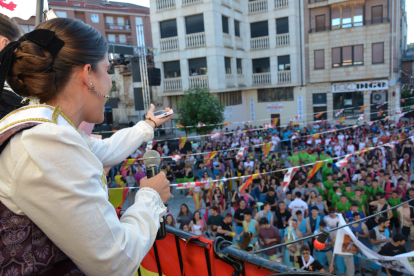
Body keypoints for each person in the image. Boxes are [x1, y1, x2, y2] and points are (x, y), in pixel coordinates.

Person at [0, 18, 173, 275]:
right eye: (106, 70)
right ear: (87, 75)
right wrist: (149, 199)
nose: (111, 83)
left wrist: (147, 125)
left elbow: (105, 151)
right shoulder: (45, 141)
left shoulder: (41, 123)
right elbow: (114, 261)